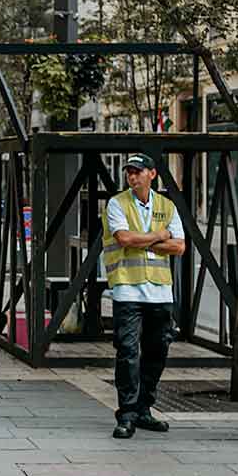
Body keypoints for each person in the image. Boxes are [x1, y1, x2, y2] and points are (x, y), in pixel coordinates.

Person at [101, 151, 186, 440]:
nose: (132, 176)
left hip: (160, 292)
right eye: (129, 172)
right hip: (127, 288)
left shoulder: (167, 205)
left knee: (157, 353)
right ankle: (126, 414)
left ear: (152, 174)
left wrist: (144, 241)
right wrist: (159, 236)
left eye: (138, 171)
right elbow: (123, 239)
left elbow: (180, 247)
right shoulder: (117, 204)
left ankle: (143, 409)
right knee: (127, 352)